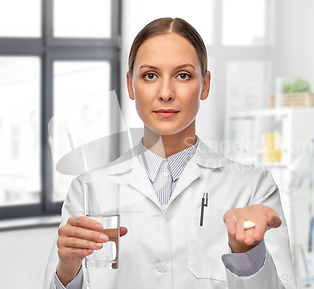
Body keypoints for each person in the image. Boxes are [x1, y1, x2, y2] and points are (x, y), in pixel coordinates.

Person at [44, 17, 295, 289]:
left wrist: (247, 253)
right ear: (130, 85)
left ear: (205, 84)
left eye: (183, 75)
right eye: (150, 75)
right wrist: (68, 270)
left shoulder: (252, 188)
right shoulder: (87, 189)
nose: (165, 93)